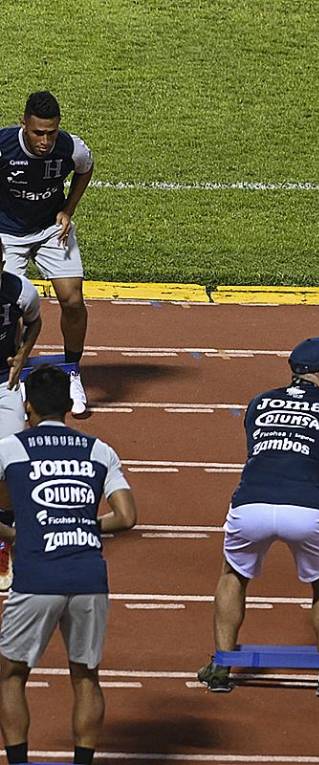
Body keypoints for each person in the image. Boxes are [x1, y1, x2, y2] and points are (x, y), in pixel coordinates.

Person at [197, 337, 319, 697]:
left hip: (251, 504)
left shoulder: (258, 402)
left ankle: (221, 665)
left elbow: (261, 451)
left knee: (233, 575)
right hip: (306, 509)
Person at [0, 366, 137, 765]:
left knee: (11, 675)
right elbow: (127, 517)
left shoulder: (12, 448)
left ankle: (20, 762)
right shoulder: (99, 450)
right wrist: (82, 524)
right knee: (86, 676)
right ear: (68, 406)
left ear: (28, 407)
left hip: (37, 576)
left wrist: (15, 534)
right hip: (88, 576)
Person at [0, 91, 94, 416]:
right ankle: (14, 374)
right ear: (23, 123)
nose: (45, 141)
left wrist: (68, 209)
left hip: (52, 229)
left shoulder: (71, 147)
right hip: (7, 233)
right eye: (39, 132)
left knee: (73, 300)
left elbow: (86, 167)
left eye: (51, 132)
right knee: (9, 306)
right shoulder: (4, 147)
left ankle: (72, 371)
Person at [0, 253, 42, 590]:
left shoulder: (19, 290)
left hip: (4, 383)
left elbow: (35, 321)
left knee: (11, 462)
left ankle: (3, 543)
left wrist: (23, 354)